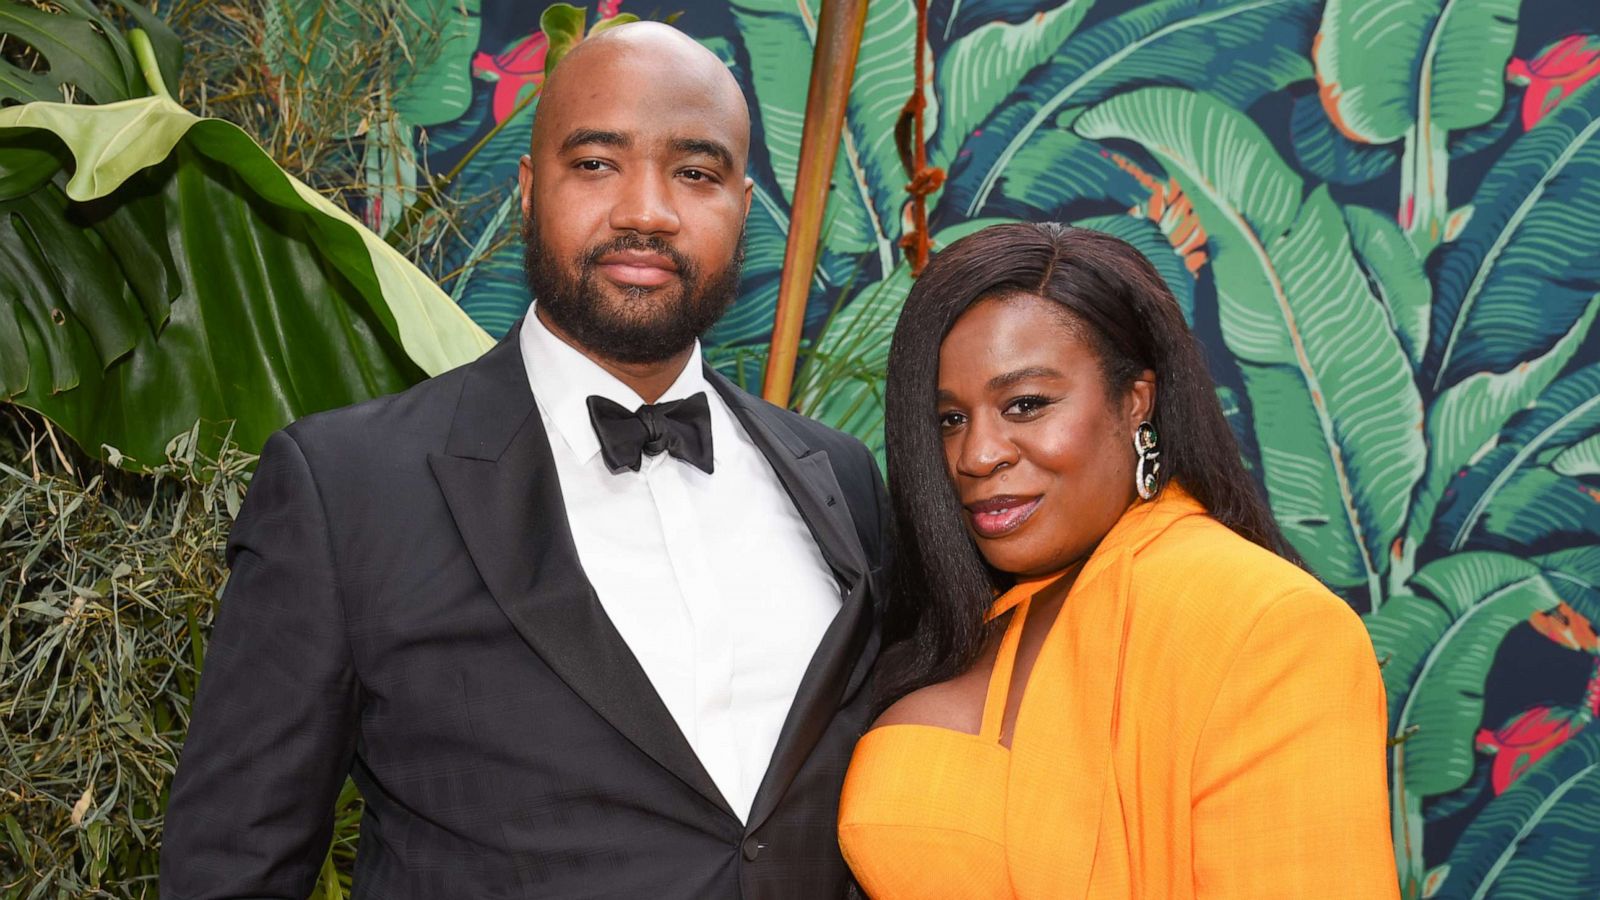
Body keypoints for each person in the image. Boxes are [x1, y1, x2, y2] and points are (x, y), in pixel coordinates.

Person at [162, 23, 887, 899]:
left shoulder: (843, 481)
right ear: (529, 188)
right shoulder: (346, 489)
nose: (647, 212)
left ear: (743, 203)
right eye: (596, 163)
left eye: (695, 173)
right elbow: (231, 870)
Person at [837, 223, 1398, 898]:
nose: (977, 455)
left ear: (1136, 402)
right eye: (951, 419)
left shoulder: (1265, 623)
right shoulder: (976, 620)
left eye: (1026, 404)